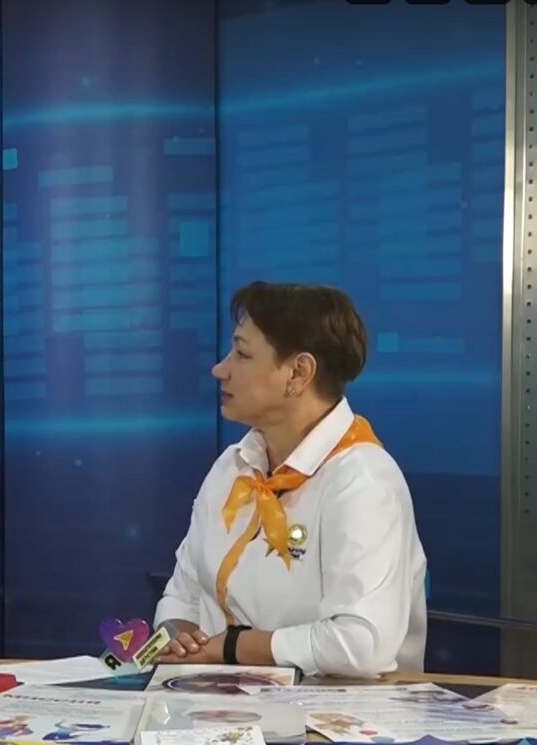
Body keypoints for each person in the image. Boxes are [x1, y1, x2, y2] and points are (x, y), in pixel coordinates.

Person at [154, 281, 427, 678]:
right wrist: (179, 640)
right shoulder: (232, 467)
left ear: (298, 373)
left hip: (336, 711)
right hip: (219, 703)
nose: (220, 369)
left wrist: (232, 647)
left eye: (242, 354)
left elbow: (362, 645)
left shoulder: (363, 480)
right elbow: (183, 596)